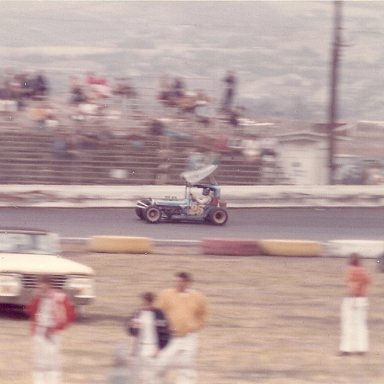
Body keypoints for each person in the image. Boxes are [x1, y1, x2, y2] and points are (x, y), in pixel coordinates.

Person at [155, 272, 208, 384]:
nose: (179, 284)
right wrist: (162, 330)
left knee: (186, 367)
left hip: (189, 337)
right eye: (177, 281)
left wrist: (196, 326)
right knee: (162, 363)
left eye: (182, 281)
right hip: (170, 336)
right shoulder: (166, 294)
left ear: (187, 282)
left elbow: (203, 314)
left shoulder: (197, 296)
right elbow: (157, 312)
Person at [26, 275, 75, 384]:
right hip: (38, 332)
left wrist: (58, 327)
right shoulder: (37, 297)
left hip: (53, 333)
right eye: (39, 285)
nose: (40, 287)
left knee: (53, 361)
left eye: (43, 284)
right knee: (39, 361)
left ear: (49, 284)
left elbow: (70, 315)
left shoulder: (60, 297)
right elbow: (29, 312)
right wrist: (35, 298)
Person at [127, 292, 170, 384]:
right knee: (138, 376)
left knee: (152, 376)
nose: (146, 304)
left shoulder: (159, 314)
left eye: (148, 302)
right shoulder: (138, 313)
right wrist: (133, 327)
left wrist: (160, 348)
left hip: (152, 347)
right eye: (145, 302)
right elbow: (131, 332)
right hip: (139, 347)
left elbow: (165, 333)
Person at [339, 253, 371, 355]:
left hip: (352, 298)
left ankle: (346, 349)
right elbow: (368, 281)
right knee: (361, 324)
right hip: (362, 299)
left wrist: (351, 296)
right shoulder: (364, 270)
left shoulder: (351, 270)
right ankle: (362, 348)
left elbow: (352, 285)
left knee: (347, 324)